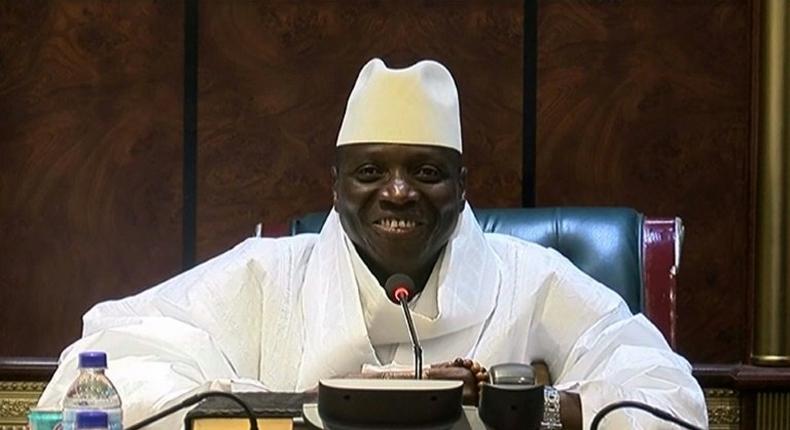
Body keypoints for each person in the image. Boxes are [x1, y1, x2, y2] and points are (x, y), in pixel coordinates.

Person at [39, 58, 708, 429]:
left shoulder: (531, 278)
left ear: (461, 184)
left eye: (424, 172)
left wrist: (538, 410)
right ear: (334, 185)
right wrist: (280, 410)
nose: (396, 193)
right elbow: (95, 369)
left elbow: (665, 395)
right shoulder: (268, 276)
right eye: (370, 172)